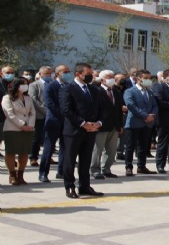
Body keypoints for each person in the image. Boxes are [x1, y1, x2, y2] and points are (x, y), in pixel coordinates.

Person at [59, 63, 104, 198]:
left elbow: (100, 108)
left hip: (91, 131)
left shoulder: (94, 89)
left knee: (86, 160)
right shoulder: (68, 89)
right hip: (74, 130)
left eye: (91, 73)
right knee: (70, 160)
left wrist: (98, 123)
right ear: (78, 74)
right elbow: (66, 110)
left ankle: (84, 186)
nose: (90, 76)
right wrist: (83, 123)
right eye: (87, 74)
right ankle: (70, 186)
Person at [123, 70, 158, 176]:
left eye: (149, 78)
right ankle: (129, 167)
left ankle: (141, 166)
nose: (148, 80)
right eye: (146, 78)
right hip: (134, 123)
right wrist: (145, 115)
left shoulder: (150, 92)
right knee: (130, 146)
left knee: (143, 146)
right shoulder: (130, 91)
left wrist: (152, 115)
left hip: (147, 123)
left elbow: (155, 106)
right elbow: (131, 106)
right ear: (138, 79)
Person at [90, 70, 123, 179]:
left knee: (111, 150)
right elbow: (94, 109)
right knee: (97, 149)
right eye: (109, 77)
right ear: (102, 79)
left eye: (113, 77)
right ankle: (94, 169)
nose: (112, 79)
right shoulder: (96, 91)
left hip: (114, 125)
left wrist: (120, 125)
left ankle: (106, 169)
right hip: (101, 125)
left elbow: (119, 110)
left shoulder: (116, 92)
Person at [2, 77, 35, 185]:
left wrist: (29, 125)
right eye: (23, 84)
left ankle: (20, 175)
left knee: (24, 152)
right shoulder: (7, 98)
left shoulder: (28, 98)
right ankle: (12, 174)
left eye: (26, 84)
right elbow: (9, 114)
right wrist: (22, 125)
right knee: (11, 152)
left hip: (28, 129)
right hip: (12, 128)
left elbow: (32, 112)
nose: (25, 86)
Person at [28, 66, 51, 166]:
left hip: (51, 116)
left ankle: (48, 157)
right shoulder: (34, 85)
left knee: (49, 138)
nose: (48, 75)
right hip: (39, 116)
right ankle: (33, 157)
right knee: (36, 138)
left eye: (50, 73)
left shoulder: (52, 84)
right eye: (46, 73)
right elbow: (33, 99)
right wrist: (45, 110)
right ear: (40, 74)